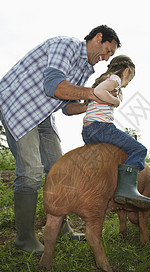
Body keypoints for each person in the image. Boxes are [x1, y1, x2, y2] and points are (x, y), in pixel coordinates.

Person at [0, 25, 121, 254]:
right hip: (17, 104)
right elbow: (53, 85)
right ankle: (24, 240)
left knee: (59, 171)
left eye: (110, 56)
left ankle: (60, 227)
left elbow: (67, 108)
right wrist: (94, 93)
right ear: (97, 38)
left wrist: (94, 104)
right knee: (31, 171)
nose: (105, 59)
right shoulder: (65, 46)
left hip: (42, 115)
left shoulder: (85, 69)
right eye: (107, 51)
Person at [82, 55, 150, 210]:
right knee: (139, 149)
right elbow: (99, 91)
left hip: (88, 131)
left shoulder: (105, 79)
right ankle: (126, 190)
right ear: (126, 71)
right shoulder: (115, 79)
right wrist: (116, 102)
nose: (126, 85)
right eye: (129, 80)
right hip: (102, 128)